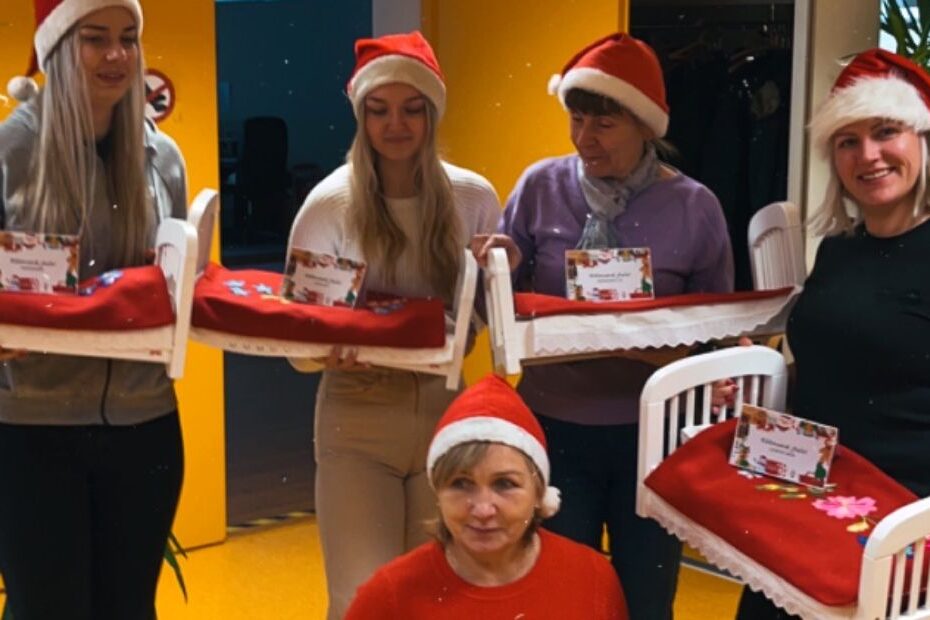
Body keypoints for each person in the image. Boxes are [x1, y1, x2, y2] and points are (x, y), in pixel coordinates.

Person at [473, 33, 734, 619]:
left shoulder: (695, 207)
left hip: (655, 437)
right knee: (562, 597)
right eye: (577, 119)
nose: (584, 138)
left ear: (645, 126)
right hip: (556, 428)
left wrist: (665, 352)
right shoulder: (540, 187)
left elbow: (714, 329)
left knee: (647, 599)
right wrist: (498, 269)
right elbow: (502, 309)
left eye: (604, 124)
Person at [287, 31, 501, 618]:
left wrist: (494, 281)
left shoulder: (473, 198)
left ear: (433, 112)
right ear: (361, 116)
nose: (396, 125)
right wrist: (324, 348)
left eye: (412, 109)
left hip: (445, 412)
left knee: (435, 598)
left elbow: (482, 315)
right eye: (378, 110)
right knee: (362, 600)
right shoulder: (329, 203)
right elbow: (296, 339)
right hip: (356, 416)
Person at [0, 1, 188, 618]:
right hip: (31, 429)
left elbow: (179, 283)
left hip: (144, 424)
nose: (116, 55)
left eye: (128, 38)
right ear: (57, 48)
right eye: (95, 38)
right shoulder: (10, 151)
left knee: (129, 608)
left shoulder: (162, 157)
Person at [735, 48, 930, 619]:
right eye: (848, 141)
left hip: (904, 524)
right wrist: (761, 382)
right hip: (812, 496)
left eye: (886, 132)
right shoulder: (838, 250)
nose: (867, 155)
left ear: (922, 139)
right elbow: (840, 362)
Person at [345, 374, 628, 619]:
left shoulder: (591, 578)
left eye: (505, 484)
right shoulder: (389, 596)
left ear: (539, 493)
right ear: (437, 491)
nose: (483, 509)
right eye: (461, 484)